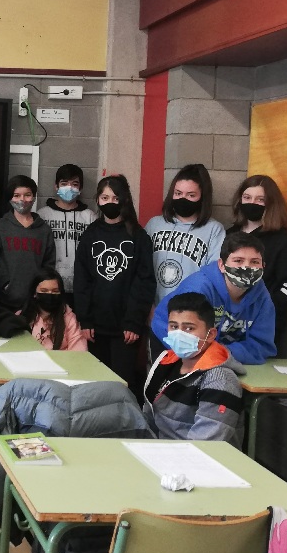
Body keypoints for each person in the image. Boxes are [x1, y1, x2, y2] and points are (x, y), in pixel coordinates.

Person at [73, 175, 156, 394]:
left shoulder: (138, 236)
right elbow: (82, 279)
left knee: (122, 384)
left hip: (125, 329)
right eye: (105, 197)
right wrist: (85, 319)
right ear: (98, 200)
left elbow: (144, 281)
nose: (110, 202)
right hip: (95, 327)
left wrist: (134, 322)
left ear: (124, 200)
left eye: (115, 198)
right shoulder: (90, 235)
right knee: (96, 382)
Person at [151, 231, 276, 365]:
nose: (246, 267)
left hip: (221, 356)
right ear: (221, 265)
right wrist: (217, 353)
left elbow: (261, 346)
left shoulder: (261, 295)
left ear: (263, 267)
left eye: (254, 262)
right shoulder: (199, 288)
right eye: (238, 261)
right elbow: (186, 340)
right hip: (172, 343)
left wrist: (222, 352)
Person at [143, 292, 244, 447]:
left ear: (210, 334)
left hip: (190, 456)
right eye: (174, 326)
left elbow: (205, 444)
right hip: (158, 445)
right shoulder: (166, 361)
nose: (179, 334)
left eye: (189, 328)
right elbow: (149, 416)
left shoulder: (220, 380)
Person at [226, 174, 287, 347]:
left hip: (261, 331)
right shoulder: (229, 234)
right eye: (247, 197)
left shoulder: (283, 240)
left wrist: (261, 309)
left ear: (271, 204)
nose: (252, 203)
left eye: (260, 199)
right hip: (225, 325)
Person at [145, 163, 226, 303]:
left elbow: (213, 277)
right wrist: (147, 306)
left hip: (191, 309)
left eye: (191, 195)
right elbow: (141, 270)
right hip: (153, 307)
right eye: (178, 193)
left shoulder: (214, 230)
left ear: (202, 197)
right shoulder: (154, 224)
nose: (183, 199)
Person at [0, 175, 56, 311]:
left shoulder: (44, 230)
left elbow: (49, 263)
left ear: (34, 197)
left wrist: (41, 288)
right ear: (10, 198)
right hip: (4, 300)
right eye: (16, 195)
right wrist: (4, 283)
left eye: (27, 195)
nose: (22, 200)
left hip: (35, 301)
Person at [36, 163, 96, 307]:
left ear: (80, 188)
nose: (69, 188)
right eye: (64, 183)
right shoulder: (43, 215)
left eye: (74, 184)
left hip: (81, 285)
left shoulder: (89, 217)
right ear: (56, 186)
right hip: (50, 285)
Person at [18, 269, 86, 351]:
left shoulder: (70, 319)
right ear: (34, 293)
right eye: (44, 291)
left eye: (55, 291)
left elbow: (79, 351)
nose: (50, 295)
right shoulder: (22, 316)